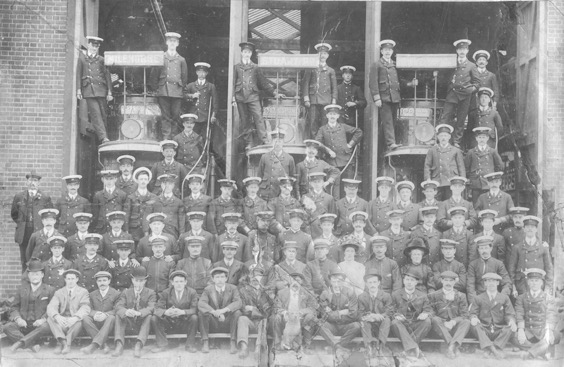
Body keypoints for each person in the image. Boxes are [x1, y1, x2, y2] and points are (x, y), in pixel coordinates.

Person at [232, 41, 282, 149]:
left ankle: (264, 140)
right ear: (241, 53)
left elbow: (263, 82)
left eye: (249, 52)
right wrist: (233, 97)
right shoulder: (236, 67)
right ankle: (249, 143)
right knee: (245, 121)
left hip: (253, 97)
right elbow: (232, 83)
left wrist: (274, 93)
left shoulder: (255, 67)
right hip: (240, 97)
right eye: (245, 52)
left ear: (251, 54)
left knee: (258, 117)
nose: (246, 54)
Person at [6, 259, 55, 353]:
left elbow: (52, 309)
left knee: (46, 326)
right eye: (32, 274)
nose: (34, 276)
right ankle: (31, 345)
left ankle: (19, 343)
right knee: (7, 327)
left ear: (42, 275)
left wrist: (43, 319)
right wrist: (18, 319)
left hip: (39, 325)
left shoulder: (50, 290)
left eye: (37, 274)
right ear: (28, 275)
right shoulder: (21, 289)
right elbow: (14, 307)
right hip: (24, 323)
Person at [438, 39, 480, 148]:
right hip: (452, 94)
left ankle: (456, 141)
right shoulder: (451, 63)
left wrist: (470, 90)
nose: (462, 51)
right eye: (460, 49)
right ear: (457, 50)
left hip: (465, 96)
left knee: (461, 119)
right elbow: (444, 78)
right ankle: (442, 139)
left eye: (464, 49)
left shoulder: (472, 66)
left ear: (467, 50)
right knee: (445, 117)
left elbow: (477, 83)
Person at [315, 105, 363, 199]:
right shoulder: (323, 129)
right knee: (332, 187)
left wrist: (350, 144)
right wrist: (328, 150)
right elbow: (318, 142)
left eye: (334, 114)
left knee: (347, 185)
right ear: (327, 116)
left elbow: (359, 132)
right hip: (331, 162)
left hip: (346, 161)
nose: (332, 116)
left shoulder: (343, 127)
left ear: (338, 116)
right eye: (330, 114)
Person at [513, 268, 561, 360]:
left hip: (542, 331)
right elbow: (519, 314)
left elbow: (551, 315)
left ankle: (530, 353)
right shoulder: (521, 298)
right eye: (532, 280)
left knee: (556, 335)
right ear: (528, 282)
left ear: (541, 283)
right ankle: (542, 350)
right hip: (528, 332)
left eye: (537, 281)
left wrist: (549, 330)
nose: (534, 283)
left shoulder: (548, 298)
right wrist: (520, 329)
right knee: (513, 335)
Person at [11, 170, 53, 270]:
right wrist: (22, 224)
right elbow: (14, 214)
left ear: (38, 182)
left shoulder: (45, 198)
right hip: (24, 234)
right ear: (27, 182)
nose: (32, 183)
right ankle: (25, 283)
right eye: (30, 180)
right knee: (24, 260)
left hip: (38, 233)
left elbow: (49, 216)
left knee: (39, 259)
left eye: (35, 180)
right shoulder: (19, 197)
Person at [469, 273, 517, 359]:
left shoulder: (504, 298)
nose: (491, 283)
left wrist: (511, 321)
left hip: (498, 330)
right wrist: (474, 318)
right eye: (488, 281)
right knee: (474, 326)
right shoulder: (478, 298)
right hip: (484, 329)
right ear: (485, 283)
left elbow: (509, 313)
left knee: (511, 328)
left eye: (494, 281)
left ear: (498, 283)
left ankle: (490, 349)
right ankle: (494, 350)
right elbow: (473, 313)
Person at [112, 266, 156, 358]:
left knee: (148, 316)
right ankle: (119, 344)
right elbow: (118, 306)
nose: (139, 283)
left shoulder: (151, 292)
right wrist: (126, 311)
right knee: (118, 315)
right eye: (136, 280)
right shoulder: (126, 292)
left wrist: (139, 313)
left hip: (142, 322)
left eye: (141, 281)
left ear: (145, 281)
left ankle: (138, 344)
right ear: (132, 280)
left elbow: (151, 307)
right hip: (129, 322)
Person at [149, 32, 187, 140]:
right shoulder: (161, 57)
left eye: (174, 41)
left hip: (176, 91)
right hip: (163, 91)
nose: (172, 43)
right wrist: (156, 89)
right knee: (165, 116)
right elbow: (154, 75)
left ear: (177, 44)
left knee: (175, 115)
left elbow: (184, 77)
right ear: (166, 42)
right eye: (170, 41)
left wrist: (181, 89)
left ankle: (174, 137)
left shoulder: (181, 60)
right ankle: (166, 137)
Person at [151, 270, 199, 353]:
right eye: (176, 282)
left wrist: (182, 312)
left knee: (194, 318)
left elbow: (195, 309)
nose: (179, 284)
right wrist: (166, 312)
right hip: (170, 324)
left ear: (185, 282)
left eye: (181, 281)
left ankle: (190, 345)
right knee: (155, 318)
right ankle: (162, 344)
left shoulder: (192, 292)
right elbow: (157, 308)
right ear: (172, 282)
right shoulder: (166, 292)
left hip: (184, 323)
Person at [76, 36, 113, 144]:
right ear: (88, 45)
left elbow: (107, 76)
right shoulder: (82, 59)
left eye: (96, 46)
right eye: (92, 45)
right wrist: (79, 90)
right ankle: (103, 137)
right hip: (88, 90)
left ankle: (104, 137)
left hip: (101, 90)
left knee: (103, 114)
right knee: (95, 114)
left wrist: (110, 92)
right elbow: (78, 74)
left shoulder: (101, 60)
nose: (94, 48)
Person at [198, 266, 242, 353]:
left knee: (237, 312)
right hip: (214, 322)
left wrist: (223, 310)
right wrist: (214, 312)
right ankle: (205, 342)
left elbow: (238, 302)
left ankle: (233, 343)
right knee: (202, 313)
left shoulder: (233, 288)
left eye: (222, 277)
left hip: (228, 321)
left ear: (226, 278)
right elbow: (201, 303)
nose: (220, 280)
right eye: (217, 277)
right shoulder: (208, 289)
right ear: (213, 279)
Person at [46, 268, 91, 355]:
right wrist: (57, 316)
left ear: (77, 279)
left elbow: (85, 307)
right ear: (65, 279)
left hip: (74, 322)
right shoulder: (59, 292)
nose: (70, 281)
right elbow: (51, 306)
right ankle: (63, 342)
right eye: (68, 279)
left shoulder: (83, 292)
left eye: (73, 279)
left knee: (80, 321)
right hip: (62, 321)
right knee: (50, 318)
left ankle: (66, 344)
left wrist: (76, 317)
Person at [368, 39, 403, 151]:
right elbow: (373, 82)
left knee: (393, 120)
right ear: (381, 51)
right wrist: (377, 98)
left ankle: (393, 142)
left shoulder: (394, 65)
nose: (387, 52)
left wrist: (410, 83)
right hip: (384, 98)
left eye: (389, 50)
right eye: (385, 50)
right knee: (387, 121)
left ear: (392, 52)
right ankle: (390, 143)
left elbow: (398, 80)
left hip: (394, 97)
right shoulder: (377, 65)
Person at [428, 271, 471, 359]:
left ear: (455, 282)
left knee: (466, 322)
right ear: (441, 281)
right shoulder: (434, 295)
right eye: (446, 280)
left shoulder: (461, 296)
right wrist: (443, 322)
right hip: (440, 328)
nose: (448, 283)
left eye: (451, 281)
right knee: (435, 319)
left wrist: (454, 322)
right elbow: (431, 312)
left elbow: (465, 314)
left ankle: (451, 347)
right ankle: (453, 346)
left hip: (454, 328)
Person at [272, 272, 318, 353]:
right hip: (286, 319)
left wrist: (301, 312)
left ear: (301, 282)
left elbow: (312, 308)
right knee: (276, 317)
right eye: (293, 280)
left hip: (301, 319)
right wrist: (285, 313)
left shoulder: (307, 293)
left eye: (298, 281)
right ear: (289, 281)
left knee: (310, 317)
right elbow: (276, 307)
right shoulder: (281, 293)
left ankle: (306, 345)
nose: (295, 283)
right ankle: (277, 345)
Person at [390, 270, 433, 358]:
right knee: (394, 323)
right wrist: (396, 315)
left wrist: (425, 313)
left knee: (427, 321)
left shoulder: (422, 295)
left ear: (416, 282)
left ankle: (409, 348)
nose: (409, 282)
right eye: (407, 279)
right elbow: (390, 310)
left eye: (412, 280)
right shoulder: (396, 294)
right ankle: (414, 348)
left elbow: (429, 310)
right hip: (403, 324)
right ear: (403, 281)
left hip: (416, 324)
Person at [317, 270, 362, 354]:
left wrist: (333, 314)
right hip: (331, 326)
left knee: (357, 326)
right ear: (330, 281)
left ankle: (339, 345)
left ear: (343, 282)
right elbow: (324, 315)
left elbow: (353, 314)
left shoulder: (350, 293)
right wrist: (341, 312)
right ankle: (337, 347)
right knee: (320, 324)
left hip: (346, 325)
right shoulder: (325, 294)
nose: (337, 284)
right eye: (334, 281)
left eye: (339, 281)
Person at [508, 215, 553, 295]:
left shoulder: (543, 247)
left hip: (539, 285)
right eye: (527, 226)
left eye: (532, 227)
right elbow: (511, 269)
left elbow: (549, 269)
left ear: (536, 229)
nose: (530, 229)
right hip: (522, 286)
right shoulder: (517, 247)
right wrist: (513, 287)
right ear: (524, 229)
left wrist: (547, 288)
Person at [302, 42, 338, 138]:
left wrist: (333, 100)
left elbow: (334, 87)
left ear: (328, 55)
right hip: (313, 99)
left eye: (325, 54)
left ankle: (323, 144)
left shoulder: (331, 70)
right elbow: (305, 83)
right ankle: (314, 143)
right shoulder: (311, 68)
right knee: (313, 122)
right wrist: (306, 98)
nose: (322, 56)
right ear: (317, 55)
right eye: (320, 54)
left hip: (326, 100)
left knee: (324, 122)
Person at [80, 270, 120, 355]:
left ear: (109, 281)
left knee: (112, 317)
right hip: (96, 322)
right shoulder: (92, 294)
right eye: (99, 281)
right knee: (85, 318)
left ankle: (93, 345)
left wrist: (105, 314)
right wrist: (95, 314)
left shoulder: (116, 294)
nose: (102, 283)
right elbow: (88, 309)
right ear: (96, 282)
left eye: (104, 280)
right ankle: (104, 344)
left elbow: (117, 309)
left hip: (109, 323)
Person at [237, 267, 272, 358]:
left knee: (264, 321)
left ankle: (258, 349)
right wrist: (258, 312)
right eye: (253, 276)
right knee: (242, 318)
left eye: (258, 276)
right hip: (250, 321)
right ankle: (243, 348)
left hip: (262, 322)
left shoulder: (267, 292)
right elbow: (242, 309)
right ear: (249, 278)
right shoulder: (243, 291)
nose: (255, 278)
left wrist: (253, 309)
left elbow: (268, 312)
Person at [424, 124, 466, 200]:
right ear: (438, 137)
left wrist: (462, 180)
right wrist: (428, 179)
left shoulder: (455, 150)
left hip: (451, 181)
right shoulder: (432, 150)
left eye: (445, 136)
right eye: (441, 136)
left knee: (450, 203)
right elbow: (427, 165)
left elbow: (461, 167)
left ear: (449, 137)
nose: (443, 138)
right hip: (437, 181)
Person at [467, 235, 512, 304]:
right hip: (479, 298)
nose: (484, 251)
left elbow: (506, 282)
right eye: (481, 248)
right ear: (478, 250)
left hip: (495, 298)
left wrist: (501, 298)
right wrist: (473, 301)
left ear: (491, 248)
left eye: (486, 248)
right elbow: (470, 285)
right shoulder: (473, 265)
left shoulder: (499, 264)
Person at [465, 128, 504, 204]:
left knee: (488, 204)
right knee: (476, 205)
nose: (481, 139)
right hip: (476, 184)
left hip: (488, 183)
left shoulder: (492, 151)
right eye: (479, 137)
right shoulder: (471, 152)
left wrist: (493, 177)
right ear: (476, 138)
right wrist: (471, 178)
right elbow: (466, 167)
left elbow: (500, 166)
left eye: (483, 137)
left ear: (487, 138)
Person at [257, 129, 297, 202]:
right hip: (267, 193)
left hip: (281, 192)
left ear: (283, 142)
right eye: (275, 141)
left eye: (279, 141)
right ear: (272, 142)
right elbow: (259, 176)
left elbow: (292, 178)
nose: (277, 144)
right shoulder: (265, 157)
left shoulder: (289, 158)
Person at [358, 272, 393, 356]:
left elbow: (389, 311)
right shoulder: (362, 297)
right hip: (369, 324)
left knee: (387, 319)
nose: (372, 285)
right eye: (370, 282)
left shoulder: (386, 295)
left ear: (378, 283)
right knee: (363, 320)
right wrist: (371, 316)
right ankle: (369, 346)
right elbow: (360, 313)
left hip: (382, 324)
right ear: (366, 284)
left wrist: (379, 316)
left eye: (374, 282)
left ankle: (381, 346)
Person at [124, 167, 157, 243]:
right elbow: (126, 216)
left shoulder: (153, 197)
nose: (143, 181)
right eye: (141, 179)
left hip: (148, 231)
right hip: (134, 231)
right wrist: (126, 231)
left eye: (145, 179)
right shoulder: (131, 197)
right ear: (137, 180)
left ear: (148, 181)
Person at [302, 172, 336, 239]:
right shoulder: (305, 197)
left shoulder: (329, 198)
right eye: (314, 182)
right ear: (311, 183)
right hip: (309, 232)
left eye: (319, 182)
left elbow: (332, 217)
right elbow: (303, 216)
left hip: (323, 231)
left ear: (323, 183)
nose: (317, 184)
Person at [92, 170, 127, 234]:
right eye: (107, 179)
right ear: (103, 180)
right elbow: (95, 214)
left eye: (111, 179)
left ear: (115, 179)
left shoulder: (122, 194)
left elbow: (125, 214)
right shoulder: (98, 195)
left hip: (116, 227)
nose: (109, 181)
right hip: (102, 228)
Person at [185, 62, 218, 128]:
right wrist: (192, 96)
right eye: (199, 72)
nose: (201, 74)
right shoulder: (191, 85)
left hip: (205, 116)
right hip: (193, 114)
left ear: (206, 73)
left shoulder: (210, 86)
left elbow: (215, 103)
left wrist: (213, 115)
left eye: (203, 72)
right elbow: (182, 96)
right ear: (196, 73)